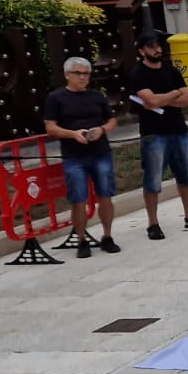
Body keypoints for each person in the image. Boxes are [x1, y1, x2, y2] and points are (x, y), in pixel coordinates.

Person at [128, 32, 188, 239]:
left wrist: (164, 98)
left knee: (185, 175)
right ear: (142, 51)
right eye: (151, 46)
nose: (157, 49)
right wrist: (174, 94)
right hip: (153, 133)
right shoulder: (138, 74)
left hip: (178, 129)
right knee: (153, 180)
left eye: (158, 45)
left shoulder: (172, 71)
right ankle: (153, 223)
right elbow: (151, 102)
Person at [43, 56, 120, 258]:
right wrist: (73, 134)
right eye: (79, 73)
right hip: (74, 155)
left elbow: (112, 120)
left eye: (86, 73)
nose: (83, 77)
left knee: (106, 195)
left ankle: (107, 235)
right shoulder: (56, 98)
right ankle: (81, 239)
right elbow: (51, 127)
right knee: (78, 198)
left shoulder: (97, 96)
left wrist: (102, 129)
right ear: (67, 75)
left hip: (100, 152)